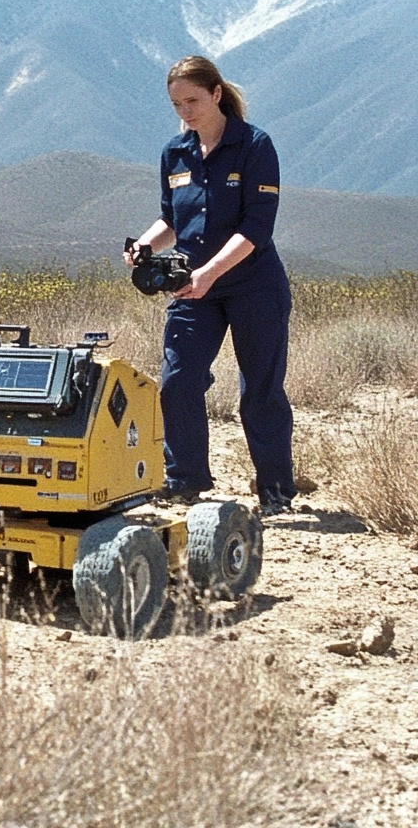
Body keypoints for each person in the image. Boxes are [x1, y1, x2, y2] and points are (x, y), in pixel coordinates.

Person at [124, 56, 295, 516]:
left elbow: (256, 227)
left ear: (217, 94)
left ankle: (275, 490)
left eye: (193, 101)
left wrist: (211, 272)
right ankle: (185, 479)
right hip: (193, 286)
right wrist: (144, 245)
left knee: (260, 391)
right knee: (178, 380)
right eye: (176, 104)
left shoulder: (254, 145)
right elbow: (171, 218)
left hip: (252, 284)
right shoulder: (175, 153)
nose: (185, 112)